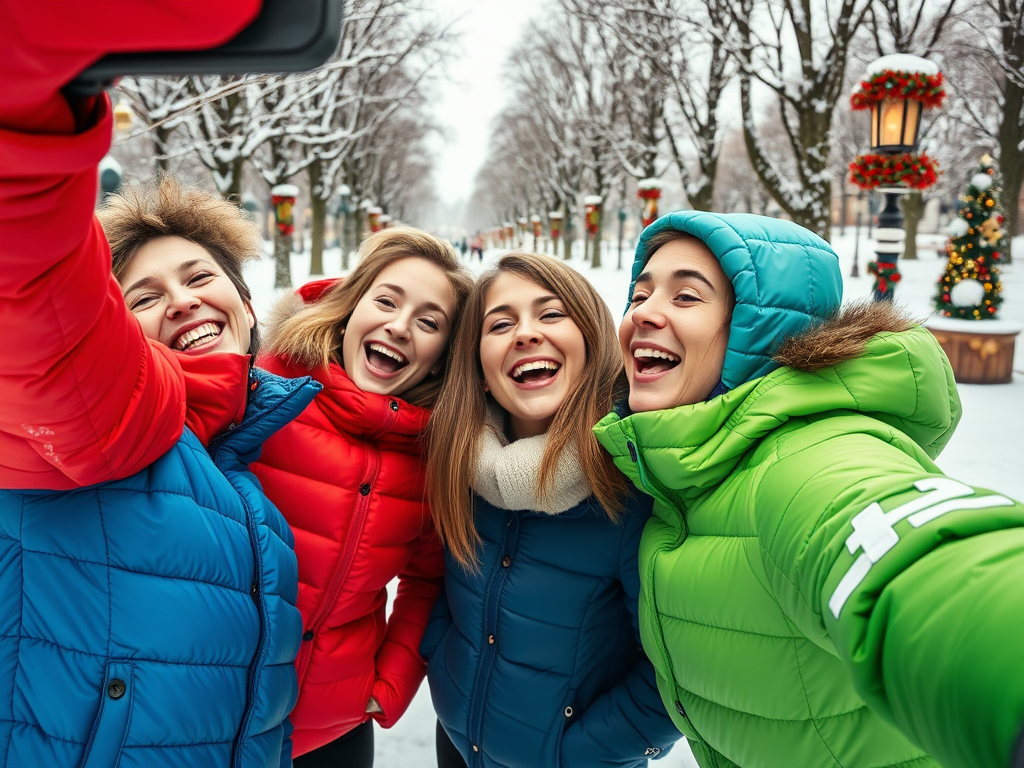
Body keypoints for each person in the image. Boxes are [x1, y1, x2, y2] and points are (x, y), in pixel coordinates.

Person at [0, 6, 321, 765]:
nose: (180, 300)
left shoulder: (248, 476)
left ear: (248, 308)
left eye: (200, 278)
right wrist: (40, 92)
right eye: (143, 296)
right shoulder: (114, 420)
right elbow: (32, 277)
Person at [592, 211, 1024, 768]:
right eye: (641, 293)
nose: (643, 313)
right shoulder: (686, 468)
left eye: (687, 298)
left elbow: (918, 555)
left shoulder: (806, 458)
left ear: (756, 328)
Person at [420, 253, 682, 768]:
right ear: (476, 359)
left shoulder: (632, 485)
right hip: (456, 742)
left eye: (551, 314)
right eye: (500, 323)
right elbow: (439, 590)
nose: (525, 334)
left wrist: (583, 753)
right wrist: (444, 671)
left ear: (590, 337)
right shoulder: (456, 464)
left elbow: (672, 669)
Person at [250, 227, 474, 766]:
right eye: (386, 301)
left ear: (442, 356)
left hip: (337, 730)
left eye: (428, 321)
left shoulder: (431, 457)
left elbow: (425, 580)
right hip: (222, 713)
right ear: (351, 308)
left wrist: (391, 679)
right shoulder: (261, 392)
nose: (399, 327)